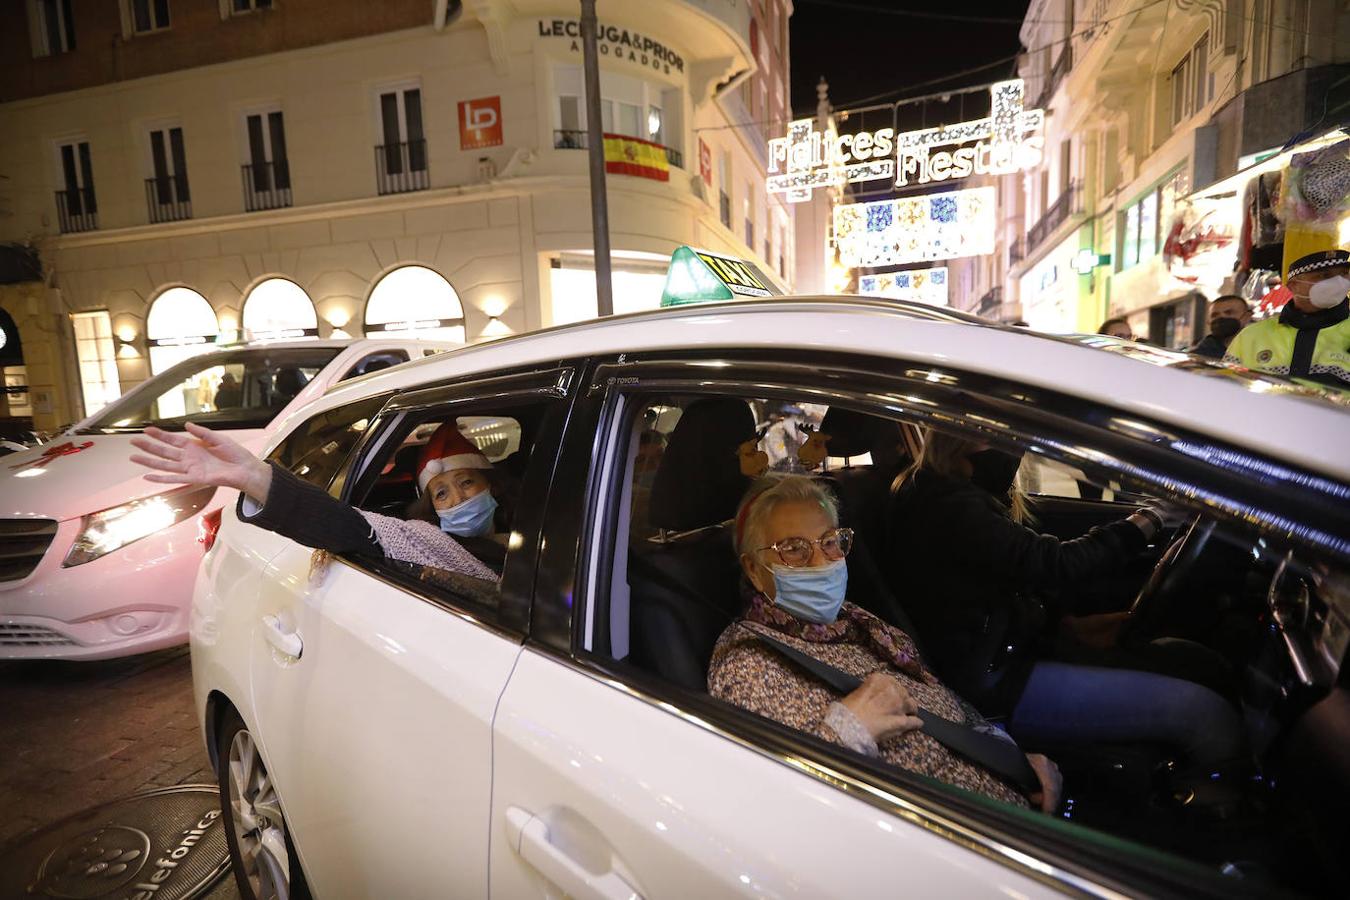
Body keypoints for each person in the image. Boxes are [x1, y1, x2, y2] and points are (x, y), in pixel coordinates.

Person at [885, 429, 1246, 772]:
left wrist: (1067, 626)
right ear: (956, 438)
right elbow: (1053, 564)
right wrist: (1152, 518)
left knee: (1196, 662)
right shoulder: (946, 505)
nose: (1013, 449)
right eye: (996, 435)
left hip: (1013, 654)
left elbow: (1002, 582)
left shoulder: (957, 493)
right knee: (1203, 713)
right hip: (994, 684)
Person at [707, 475, 1063, 812]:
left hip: (1009, 805)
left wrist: (1009, 756)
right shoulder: (748, 663)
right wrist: (849, 728)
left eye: (830, 542)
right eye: (794, 549)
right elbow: (772, 804)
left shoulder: (856, 622)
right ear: (754, 569)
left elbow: (944, 703)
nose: (821, 561)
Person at [128, 420, 504, 580]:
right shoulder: (432, 542)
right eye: (441, 493)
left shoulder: (551, 525)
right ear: (431, 508)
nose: (458, 499)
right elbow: (352, 527)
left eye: (467, 482)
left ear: (491, 483)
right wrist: (257, 478)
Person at [1224, 249, 1350, 385]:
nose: (1339, 282)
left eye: (1344, 274)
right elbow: (1226, 389)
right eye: (1325, 275)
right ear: (1293, 286)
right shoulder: (1251, 336)